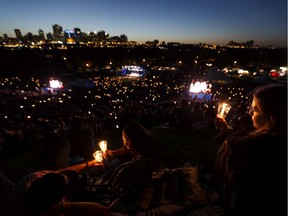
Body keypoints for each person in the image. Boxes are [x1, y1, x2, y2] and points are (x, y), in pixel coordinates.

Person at [212, 84, 287, 216]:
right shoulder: (273, 136)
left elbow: (235, 144)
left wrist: (227, 134)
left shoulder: (263, 148)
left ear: (271, 115)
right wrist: (227, 130)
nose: (250, 113)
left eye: (255, 109)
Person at [12, 159, 108, 216]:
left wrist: (89, 163)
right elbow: (104, 211)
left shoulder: (39, 177)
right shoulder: (50, 207)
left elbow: (63, 171)